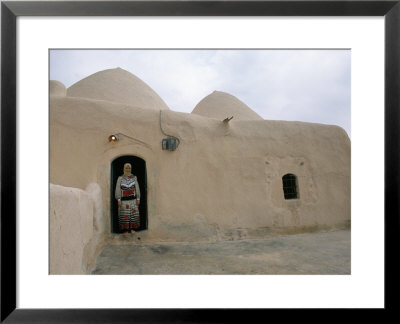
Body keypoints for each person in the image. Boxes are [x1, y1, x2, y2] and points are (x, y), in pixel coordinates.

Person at [115, 163, 141, 237]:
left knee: (133, 214)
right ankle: (125, 230)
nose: (128, 169)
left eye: (129, 168)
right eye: (126, 168)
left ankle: (132, 229)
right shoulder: (120, 178)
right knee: (124, 215)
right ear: (124, 169)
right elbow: (117, 189)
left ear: (131, 169)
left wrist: (138, 198)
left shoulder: (134, 177)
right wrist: (119, 200)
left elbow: (137, 188)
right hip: (124, 201)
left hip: (133, 200)